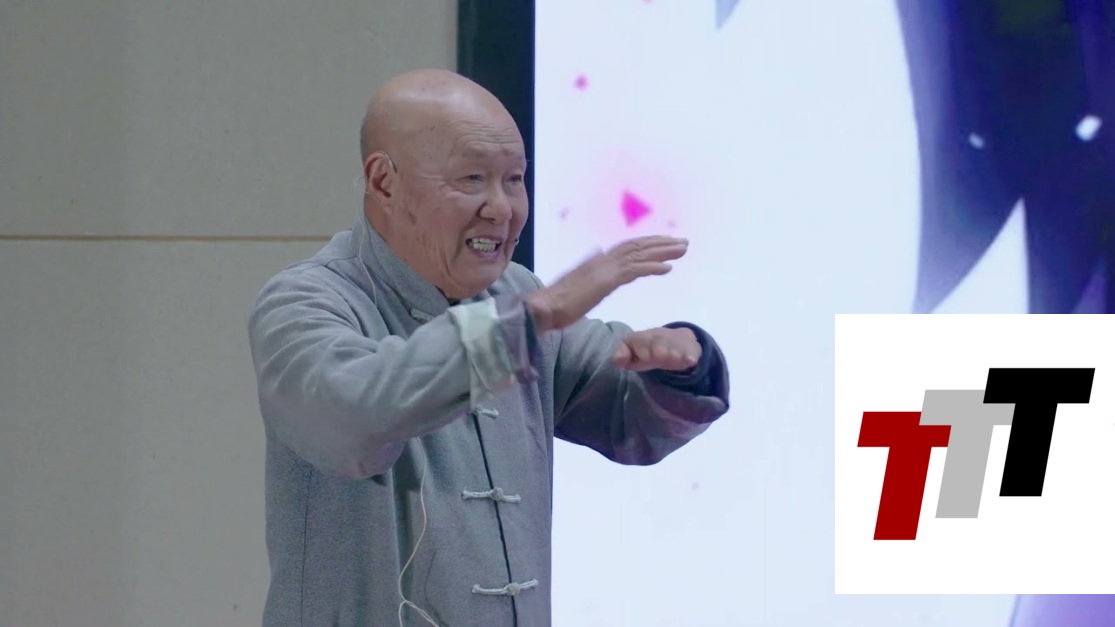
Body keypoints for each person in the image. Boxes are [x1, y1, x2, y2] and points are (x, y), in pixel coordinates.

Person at [247, 68, 730, 627]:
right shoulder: (305, 302)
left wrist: (678, 366)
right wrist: (529, 320)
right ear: (383, 182)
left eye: (515, 179)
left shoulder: (515, 294)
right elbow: (353, 416)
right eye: (472, 178)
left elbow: (626, 412)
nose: (502, 208)